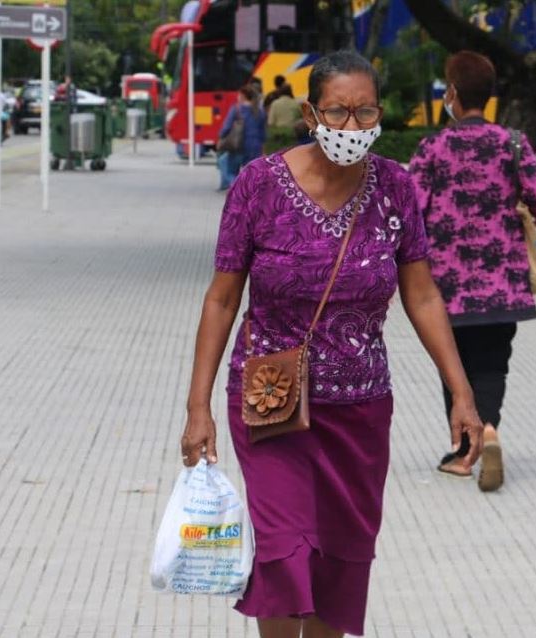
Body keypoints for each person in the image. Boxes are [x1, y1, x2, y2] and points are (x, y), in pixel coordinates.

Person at [180, 50, 485, 638]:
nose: (352, 126)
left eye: (365, 111)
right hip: (271, 401)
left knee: (340, 559)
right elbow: (221, 300)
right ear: (311, 113)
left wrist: (462, 392)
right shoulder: (258, 186)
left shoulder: (396, 187)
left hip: (361, 408)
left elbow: (422, 297)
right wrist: (198, 407)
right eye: (339, 112)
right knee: (285, 551)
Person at [408, 51, 536, 492]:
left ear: (452, 93)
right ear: (489, 96)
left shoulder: (433, 148)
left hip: (445, 287)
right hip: (503, 283)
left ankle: (462, 451)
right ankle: (488, 430)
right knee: (493, 366)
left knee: (454, 366)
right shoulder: (512, 143)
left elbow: (412, 207)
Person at [216, 85, 267, 191]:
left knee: (229, 170)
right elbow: (263, 132)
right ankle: (249, 191)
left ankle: (237, 189)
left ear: (243, 96)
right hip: (255, 146)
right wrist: (263, 147)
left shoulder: (237, 109)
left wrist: (221, 138)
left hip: (238, 145)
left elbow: (227, 126)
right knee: (252, 172)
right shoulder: (260, 111)